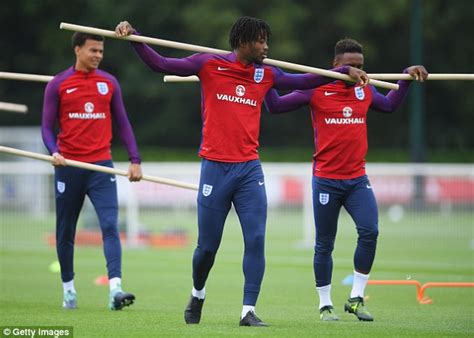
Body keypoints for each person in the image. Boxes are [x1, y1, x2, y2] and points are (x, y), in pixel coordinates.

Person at [115, 17, 367, 326]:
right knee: (207, 247)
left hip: (249, 170)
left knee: (257, 238)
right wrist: (134, 37)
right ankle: (198, 293)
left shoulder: (266, 74)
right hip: (215, 169)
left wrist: (342, 73)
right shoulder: (208, 64)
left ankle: (248, 310)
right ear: (243, 41)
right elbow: (160, 63)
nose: (266, 46)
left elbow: (305, 81)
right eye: (261, 41)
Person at [264, 38, 428, 321]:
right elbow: (275, 106)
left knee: (370, 231)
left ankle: (355, 299)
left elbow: (388, 106)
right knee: (324, 245)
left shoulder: (365, 90)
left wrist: (406, 79)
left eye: (360, 66)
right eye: (350, 66)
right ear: (335, 66)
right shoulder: (316, 90)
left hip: (356, 180)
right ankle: (325, 304)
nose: (357, 71)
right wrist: (263, 82)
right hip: (326, 180)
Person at [41, 32, 143, 311]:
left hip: (101, 165)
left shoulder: (109, 83)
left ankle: (115, 290)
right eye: (93, 50)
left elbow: (123, 123)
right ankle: (69, 290)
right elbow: (47, 128)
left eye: (101, 51)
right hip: (69, 167)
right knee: (65, 231)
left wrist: (135, 159)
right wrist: (54, 152)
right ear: (77, 50)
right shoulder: (58, 84)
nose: (98, 55)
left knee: (110, 225)